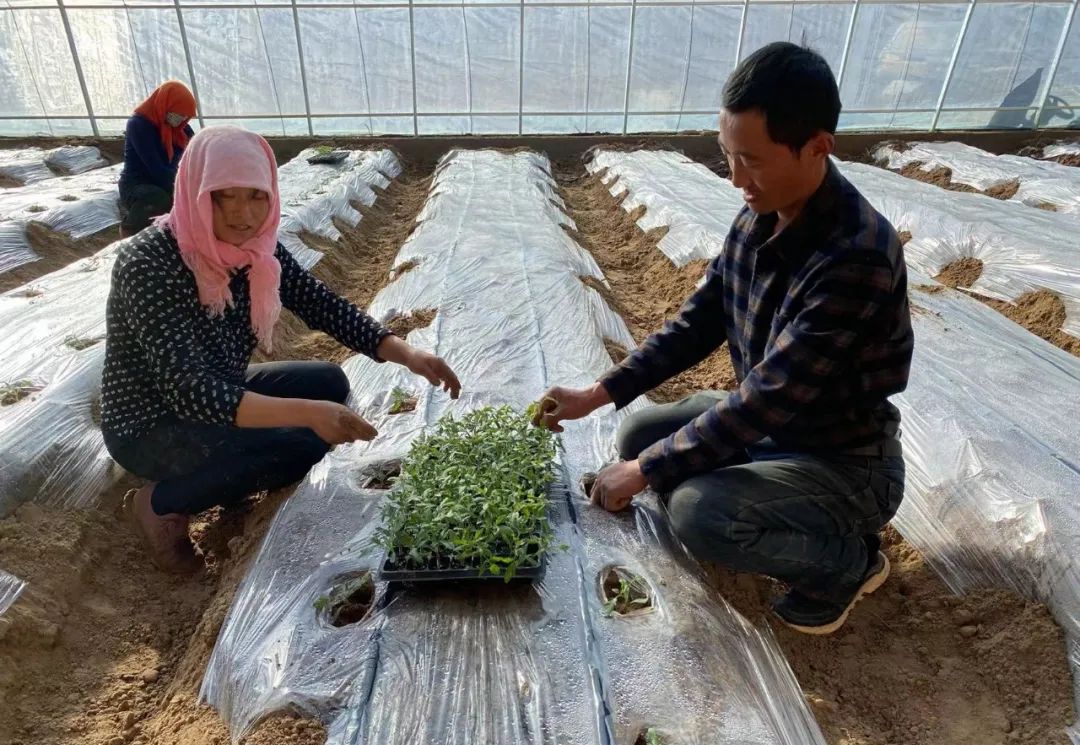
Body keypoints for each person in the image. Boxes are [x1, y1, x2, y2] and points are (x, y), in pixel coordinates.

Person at [535, 43, 913, 635]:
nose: (737, 179)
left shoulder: (856, 255)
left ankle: (847, 562)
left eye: (753, 161)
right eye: (728, 156)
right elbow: (699, 321)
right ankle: (773, 501)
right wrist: (598, 393)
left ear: (817, 147)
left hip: (842, 460)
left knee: (697, 512)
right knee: (638, 432)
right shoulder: (763, 211)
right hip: (780, 431)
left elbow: (766, 396)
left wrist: (646, 472)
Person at [101, 125, 461, 572]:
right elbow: (190, 391)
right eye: (222, 196)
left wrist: (408, 353)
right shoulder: (149, 263)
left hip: (221, 385)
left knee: (328, 381)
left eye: (255, 196)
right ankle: (159, 502)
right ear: (195, 191)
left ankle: (224, 471)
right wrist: (307, 414)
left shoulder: (256, 250)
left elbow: (320, 304)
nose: (242, 214)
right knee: (303, 445)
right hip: (152, 422)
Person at [118, 80, 197, 237]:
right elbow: (156, 168)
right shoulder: (139, 124)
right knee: (158, 198)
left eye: (185, 116)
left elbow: (196, 152)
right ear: (165, 105)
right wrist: (183, 188)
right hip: (138, 184)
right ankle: (129, 232)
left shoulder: (180, 129)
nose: (181, 119)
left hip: (168, 179)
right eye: (178, 114)